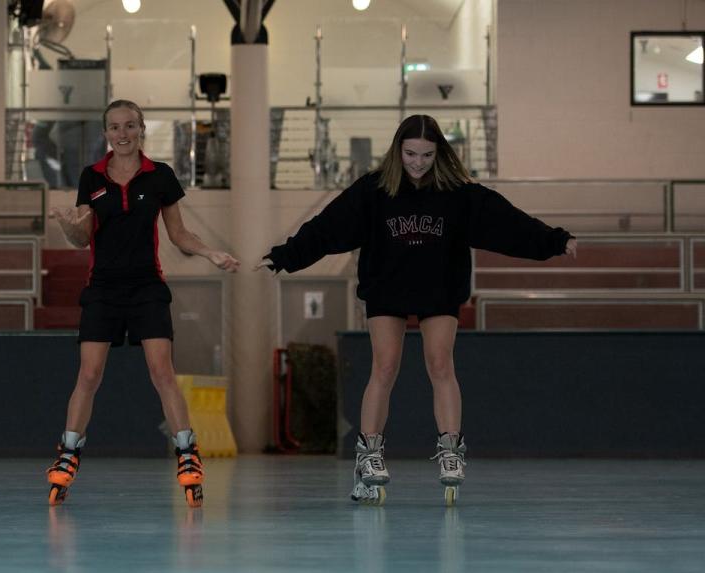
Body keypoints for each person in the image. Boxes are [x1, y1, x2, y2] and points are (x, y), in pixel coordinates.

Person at [260, 114, 577, 505]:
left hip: (438, 288)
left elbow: (506, 222)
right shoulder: (374, 191)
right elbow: (327, 227)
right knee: (385, 366)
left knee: (440, 363)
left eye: (427, 154)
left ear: (439, 152)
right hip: (387, 286)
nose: (418, 162)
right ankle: (369, 456)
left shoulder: (458, 194)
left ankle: (450, 450)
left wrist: (553, 240)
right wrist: (284, 256)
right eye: (410, 153)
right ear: (397, 150)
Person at [46, 99, 240, 508]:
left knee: (161, 370)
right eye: (115, 127)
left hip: (147, 286)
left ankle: (187, 454)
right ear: (106, 134)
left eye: (130, 126)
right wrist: (68, 225)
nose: (123, 133)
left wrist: (211, 253)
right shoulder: (91, 177)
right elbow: (82, 237)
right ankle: (67, 454)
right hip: (103, 288)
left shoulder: (160, 176)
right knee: (89, 373)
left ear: (141, 129)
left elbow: (179, 234)